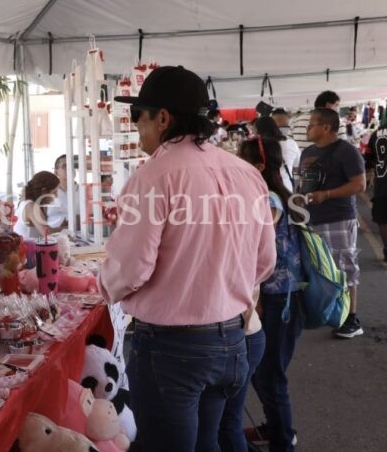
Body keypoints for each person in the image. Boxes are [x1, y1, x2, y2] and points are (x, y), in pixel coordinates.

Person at [98, 65, 276, 451]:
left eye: (139, 116)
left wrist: (102, 283)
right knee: (207, 442)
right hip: (231, 341)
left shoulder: (153, 177)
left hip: (172, 351)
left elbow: (131, 269)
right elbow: (264, 262)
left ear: (162, 118)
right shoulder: (245, 173)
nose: (136, 127)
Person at [238, 136, 304, 451]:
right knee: (263, 372)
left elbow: (258, 253)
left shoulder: (268, 201)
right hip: (280, 298)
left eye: (243, 161)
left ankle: (283, 440)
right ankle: (276, 428)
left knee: (270, 376)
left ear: (260, 165)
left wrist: (258, 301)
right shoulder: (276, 195)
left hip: (280, 301)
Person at [299, 107, 366, 338]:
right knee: (319, 268)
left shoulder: (346, 151)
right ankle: (332, 312)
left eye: (311, 124)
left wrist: (326, 195)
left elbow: (359, 184)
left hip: (338, 218)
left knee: (345, 267)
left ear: (326, 127)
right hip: (312, 218)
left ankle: (351, 318)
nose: (307, 128)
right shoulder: (307, 152)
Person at [254, 116, 300, 192]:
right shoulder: (291, 143)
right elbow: (297, 164)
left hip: (265, 187)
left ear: (258, 131)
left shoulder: (259, 146)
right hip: (286, 186)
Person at [13, 171, 60, 239]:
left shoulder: (28, 203)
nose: (56, 196)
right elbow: (47, 233)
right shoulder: (31, 206)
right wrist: (67, 228)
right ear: (44, 191)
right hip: (27, 245)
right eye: (54, 192)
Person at [366, 120, 387, 260]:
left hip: (382, 183)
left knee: (383, 218)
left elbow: (369, 159)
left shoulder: (376, 133)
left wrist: (372, 173)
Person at [46, 154, 79, 229]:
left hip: (82, 234)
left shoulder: (84, 191)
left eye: (72, 166)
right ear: (56, 172)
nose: (69, 168)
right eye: (65, 166)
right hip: (55, 233)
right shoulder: (49, 193)